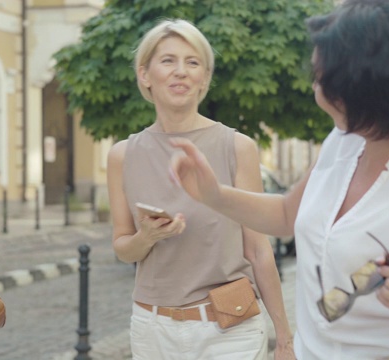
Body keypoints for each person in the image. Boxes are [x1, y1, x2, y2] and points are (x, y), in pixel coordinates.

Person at [169, 0, 389, 359]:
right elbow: (285, 214)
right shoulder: (346, 137)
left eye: (320, 76)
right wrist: (213, 194)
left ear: (359, 91)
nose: (314, 84)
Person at [107, 19, 295, 359]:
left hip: (228, 331)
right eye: (168, 61)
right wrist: (146, 237)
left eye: (192, 62)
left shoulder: (237, 147)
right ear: (145, 74)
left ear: (204, 78)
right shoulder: (123, 155)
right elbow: (123, 248)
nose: (181, 71)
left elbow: (258, 251)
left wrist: (284, 338)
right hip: (152, 331)